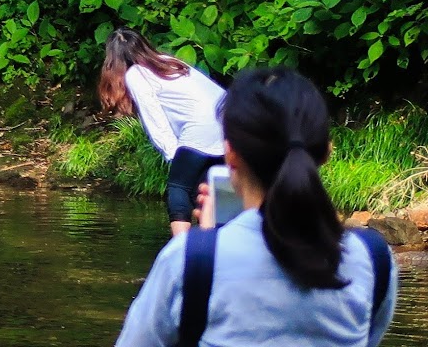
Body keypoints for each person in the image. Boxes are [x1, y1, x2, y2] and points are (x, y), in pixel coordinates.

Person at [116, 67, 397, 347]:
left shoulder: (190, 260)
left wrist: (206, 245)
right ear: (326, 152)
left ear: (230, 155)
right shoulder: (374, 257)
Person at [100, 29, 229, 235]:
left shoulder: (136, 75)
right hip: (227, 121)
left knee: (178, 187)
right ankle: (213, 245)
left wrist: (172, 154)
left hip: (199, 127)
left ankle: (181, 249)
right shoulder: (167, 62)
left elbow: (155, 120)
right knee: (211, 188)